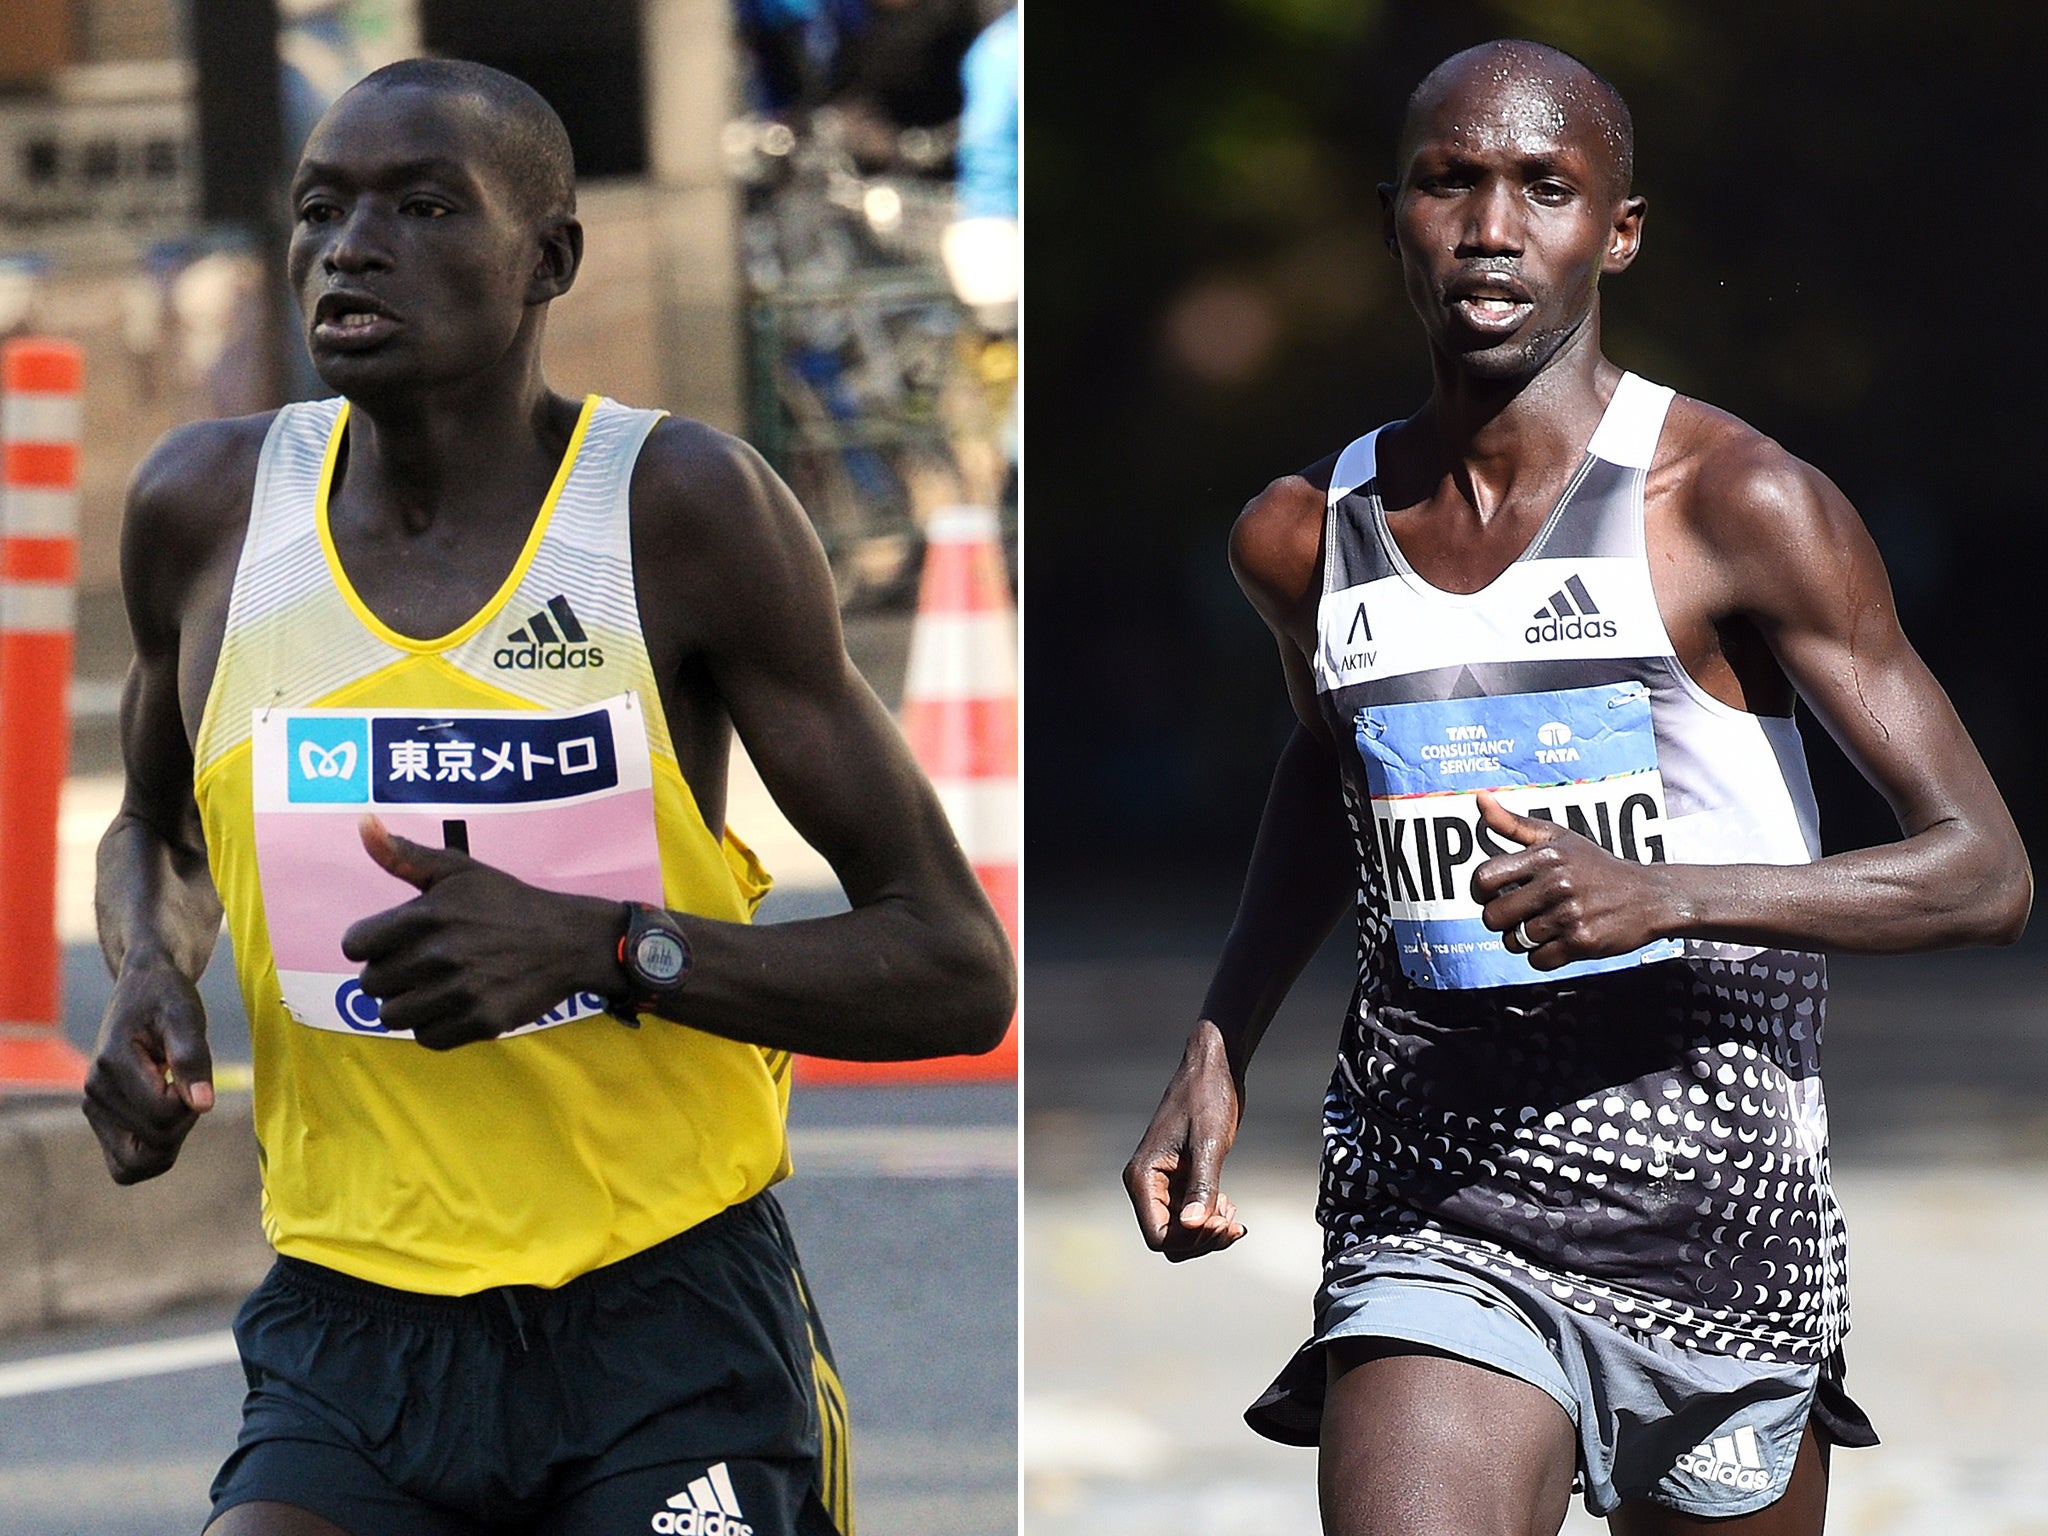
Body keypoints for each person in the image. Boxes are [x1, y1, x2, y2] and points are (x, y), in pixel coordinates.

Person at [85, 58, 1014, 1536]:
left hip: (661, 1322)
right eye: (322, 210)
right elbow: (153, 824)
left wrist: (603, 948)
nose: (352, 247)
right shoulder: (204, 509)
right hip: (352, 1328)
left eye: (423, 206)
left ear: (550, 259)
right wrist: (149, 967)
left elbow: (958, 971)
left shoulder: (677, 512)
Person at [1123, 38, 2030, 1536]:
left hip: (1720, 1228)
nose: (1491, 225)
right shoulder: (1307, 536)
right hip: (1439, 1204)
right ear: (1396, 212)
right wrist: (1221, 1039)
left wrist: (1659, 895)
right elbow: (1331, 763)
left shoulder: (1739, 506)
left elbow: (1983, 871)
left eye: (1545, 188)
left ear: (1617, 232)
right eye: (1448, 182)